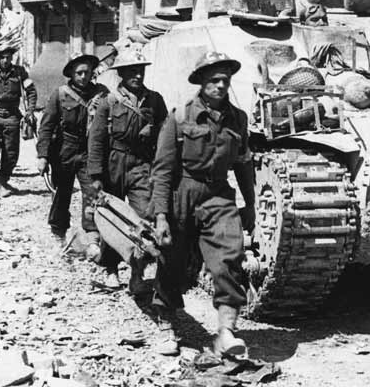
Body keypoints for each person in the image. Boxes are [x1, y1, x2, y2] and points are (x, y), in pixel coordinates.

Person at [149, 51, 256, 358]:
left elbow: (243, 163)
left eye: (226, 80)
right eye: (215, 80)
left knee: (229, 257)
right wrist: (160, 216)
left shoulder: (238, 119)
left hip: (218, 195)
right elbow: (163, 170)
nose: (222, 86)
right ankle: (166, 324)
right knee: (173, 260)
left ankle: (226, 331)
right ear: (202, 82)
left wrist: (249, 203)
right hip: (183, 192)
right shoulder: (180, 117)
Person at [87, 49, 168, 290]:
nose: (137, 76)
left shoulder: (155, 100)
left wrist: (152, 132)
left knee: (142, 219)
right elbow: (97, 140)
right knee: (113, 219)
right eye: (132, 71)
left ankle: (137, 274)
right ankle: (111, 270)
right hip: (113, 162)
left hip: (141, 164)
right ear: (121, 73)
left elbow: (165, 132)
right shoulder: (108, 102)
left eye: (140, 71)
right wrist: (96, 176)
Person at [37, 53, 107, 247]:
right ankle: (58, 232)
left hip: (90, 151)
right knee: (61, 193)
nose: (84, 77)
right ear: (72, 74)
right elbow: (46, 127)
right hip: (64, 150)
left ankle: (92, 235)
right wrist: (42, 156)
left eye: (88, 72)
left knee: (92, 192)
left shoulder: (102, 94)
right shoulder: (60, 94)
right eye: (80, 73)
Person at [0, 45, 37, 196]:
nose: (6, 60)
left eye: (8, 57)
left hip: (12, 116)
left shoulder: (20, 72)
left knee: (11, 152)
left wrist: (30, 111)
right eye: (2, 57)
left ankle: (3, 181)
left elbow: (31, 92)